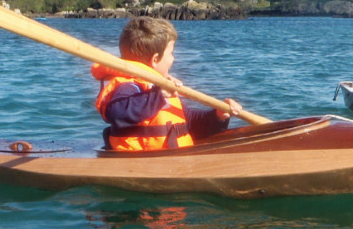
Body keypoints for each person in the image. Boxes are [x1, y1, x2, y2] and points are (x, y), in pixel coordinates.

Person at [91, 16, 241, 151]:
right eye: (171, 53)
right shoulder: (129, 86)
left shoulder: (159, 89)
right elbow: (116, 113)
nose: (173, 59)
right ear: (155, 60)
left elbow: (189, 123)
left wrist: (218, 116)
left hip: (172, 156)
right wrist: (158, 95)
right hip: (140, 161)